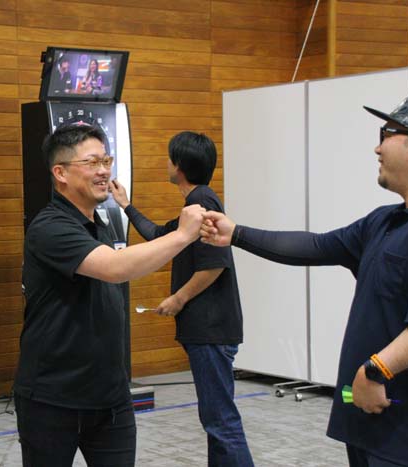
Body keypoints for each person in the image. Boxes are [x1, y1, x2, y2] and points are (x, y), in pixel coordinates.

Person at [200, 90, 408, 467]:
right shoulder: (387, 220)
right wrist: (236, 234)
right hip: (373, 423)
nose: (377, 148)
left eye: (386, 134)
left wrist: (375, 370)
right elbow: (315, 246)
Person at [13, 123, 205, 467]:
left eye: (106, 161)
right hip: (53, 400)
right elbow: (115, 267)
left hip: (110, 399)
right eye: (92, 163)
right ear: (60, 173)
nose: (103, 171)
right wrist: (182, 235)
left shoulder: (98, 224)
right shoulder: (50, 228)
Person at [109, 131, 254, 467]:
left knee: (221, 422)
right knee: (216, 421)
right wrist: (126, 205)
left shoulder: (201, 202)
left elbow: (214, 265)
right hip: (209, 331)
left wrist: (178, 298)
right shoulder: (196, 203)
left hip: (211, 330)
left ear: (179, 166)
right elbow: (160, 235)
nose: (166, 163)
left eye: (169, 158)